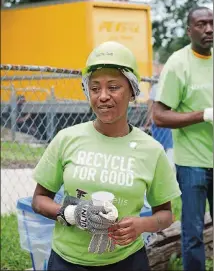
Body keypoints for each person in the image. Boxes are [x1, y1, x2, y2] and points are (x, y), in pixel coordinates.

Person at [32, 41, 181, 271]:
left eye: (113, 87)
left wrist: (141, 224)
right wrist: (71, 213)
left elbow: (165, 215)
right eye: (94, 88)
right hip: (67, 261)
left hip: (127, 262)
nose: (103, 96)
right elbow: (39, 200)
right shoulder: (66, 138)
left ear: (132, 91)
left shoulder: (151, 150)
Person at [153, 7, 213, 271]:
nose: (209, 29)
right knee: (192, 234)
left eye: (212, 23)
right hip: (193, 165)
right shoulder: (178, 63)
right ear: (189, 30)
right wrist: (204, 114)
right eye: (201, 24)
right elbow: (159, 116)